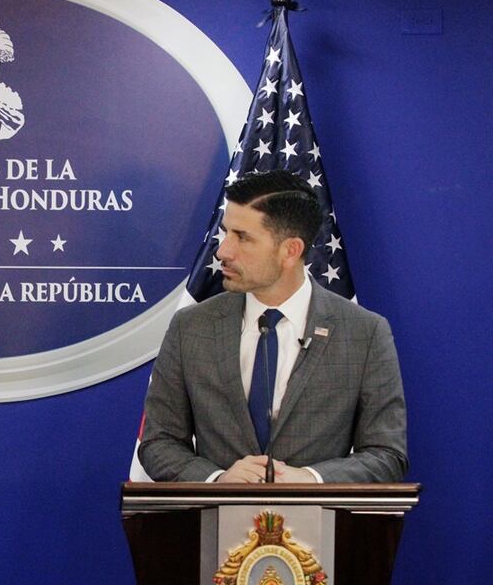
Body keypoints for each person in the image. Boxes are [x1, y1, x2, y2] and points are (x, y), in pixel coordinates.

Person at [138, 170, 407, 483]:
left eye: (243, 237)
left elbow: (387, 455)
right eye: (226, 233)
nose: (223, 251)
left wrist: (310, 479)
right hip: (214, 526)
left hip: (318, 529)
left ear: (290, 250)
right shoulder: (190, 327)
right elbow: (158, 442)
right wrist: (217, 480)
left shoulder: (365, 332)